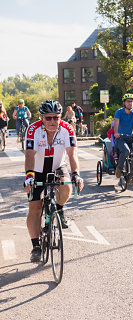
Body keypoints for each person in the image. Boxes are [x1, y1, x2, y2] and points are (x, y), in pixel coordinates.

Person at [23, 100, 84, 262]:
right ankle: (36, 246)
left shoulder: (67, 129)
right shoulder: (33, 130)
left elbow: (72, 154)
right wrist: (29, 176)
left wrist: (76, 174)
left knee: (67, 186)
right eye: (48, 118)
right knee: (34, 209)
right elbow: (29, 154)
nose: (52, 122)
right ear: (41, 117)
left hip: (58, 166)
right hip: (37, 170)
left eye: (56, 118)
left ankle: (58, 208)